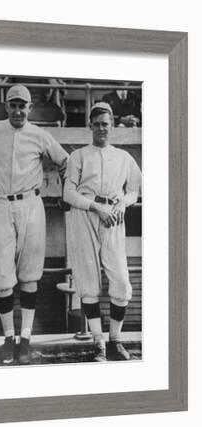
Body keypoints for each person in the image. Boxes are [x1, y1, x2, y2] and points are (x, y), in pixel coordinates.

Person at [0, 84, 69, 365]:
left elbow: (65, 162)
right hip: (0, 205)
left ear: (30, 108)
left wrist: (66, 193)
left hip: (31, 206)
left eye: (23, 105)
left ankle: (26, 339)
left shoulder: (39, 135)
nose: (18, 110)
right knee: (1, 276)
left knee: (29, 274)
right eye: (13, 105)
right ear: (6, 106)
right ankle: (9, 338)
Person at [63, 102, 141, 362]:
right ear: (90, 126)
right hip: (86, 214)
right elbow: (69, 193)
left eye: (105, 124)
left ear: (112, 126)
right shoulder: (79, 155)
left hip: (114, 218)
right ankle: (98, 342)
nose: (101, 129)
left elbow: (134, 190)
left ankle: (115, 340)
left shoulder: (123, 157)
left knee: (120, 280)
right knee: (88, 281)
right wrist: (96, 207)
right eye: (96, 124)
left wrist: (122, 203)